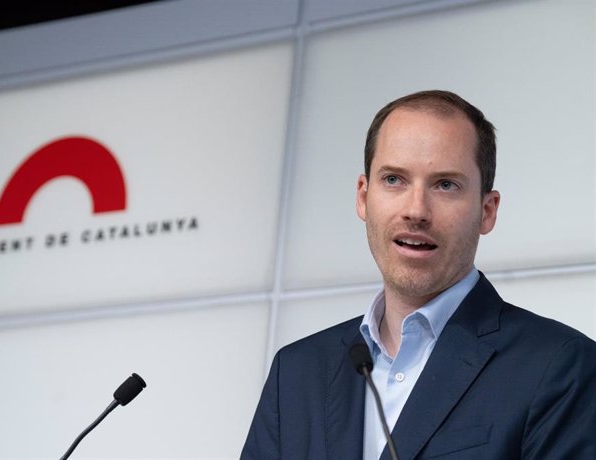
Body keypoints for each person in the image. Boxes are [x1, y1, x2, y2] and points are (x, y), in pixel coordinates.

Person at [241, 90, 596, 459]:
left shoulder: (559, 365)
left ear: (486, 211)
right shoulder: (297, 373)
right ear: (364, 197)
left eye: (445, 185)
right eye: (394, 179)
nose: (416, 210)